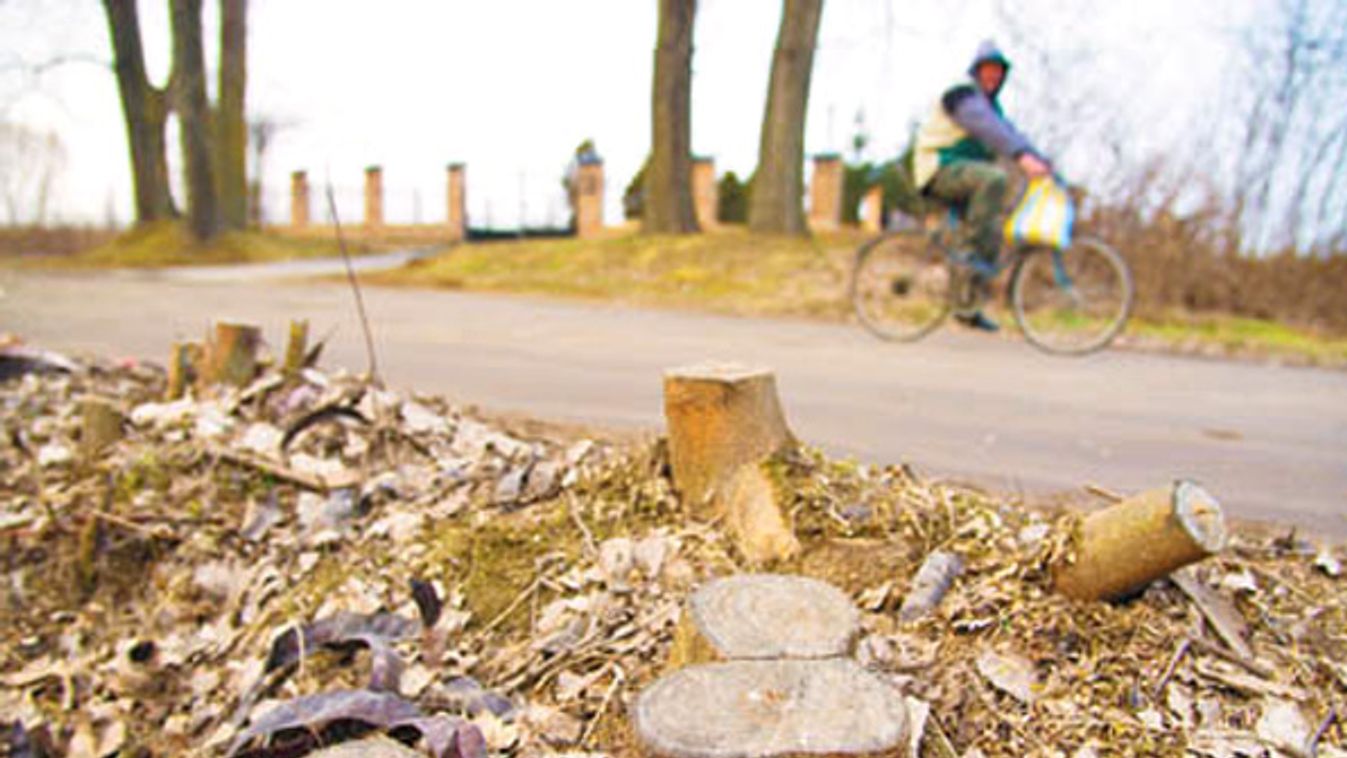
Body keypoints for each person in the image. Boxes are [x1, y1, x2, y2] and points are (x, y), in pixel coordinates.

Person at [913, 40, 1051, 331]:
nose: (993, 77)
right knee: (994, 180)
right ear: (977, 71)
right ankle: (970, 254)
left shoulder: (993, 109)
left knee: (992, 232)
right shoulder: (962, 97)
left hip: (964, 176)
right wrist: (1021, 156)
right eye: (988, 71)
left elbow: (1008, 132)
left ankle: (968, 307)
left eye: (998, 72)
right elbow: (988, 127)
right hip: (938, 169)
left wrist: (1039, 160)